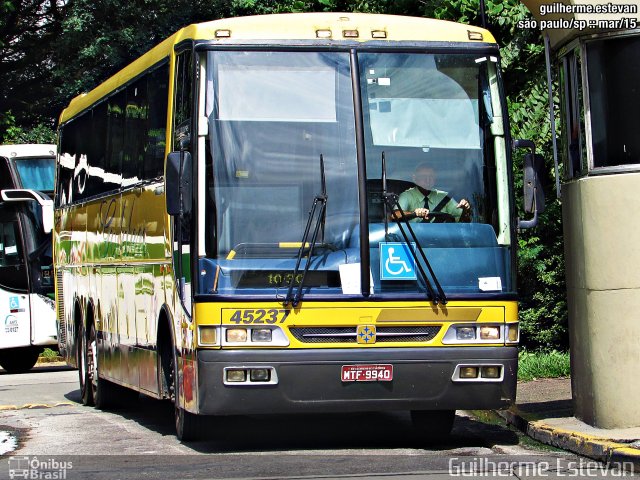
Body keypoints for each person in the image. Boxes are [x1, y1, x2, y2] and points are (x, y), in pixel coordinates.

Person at [393, 164, 471, 223]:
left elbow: (462, 218)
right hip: (414, 239)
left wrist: (465, 209)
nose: (428, 180)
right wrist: (414, 213)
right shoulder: (407, 195)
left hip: (441, 240)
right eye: (423, 177)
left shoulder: (444, 197)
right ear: (414, 178)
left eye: (431, 177)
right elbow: (395, 215)